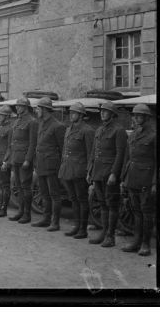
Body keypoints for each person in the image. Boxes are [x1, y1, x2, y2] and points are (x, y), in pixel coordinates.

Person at [87, 101, 128, 248]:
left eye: (106, 111)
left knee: (112, 205)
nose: (102, 113)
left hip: (109, 174)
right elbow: (93, 152)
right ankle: (104, 233)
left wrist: (114, 174)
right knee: (102, 204)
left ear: (112, 114)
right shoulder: (99, 130)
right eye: (102, 111)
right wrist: (90, 170)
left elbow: (120, 154)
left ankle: (111, 236)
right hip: (97, 172)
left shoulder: (119, 130)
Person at [120, 104, 156, 256]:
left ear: (147, 118)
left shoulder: (154, 136)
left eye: (139, 115)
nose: (136, 118)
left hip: (146, 179)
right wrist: (123, 178)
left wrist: (155, 182)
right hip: (132, 177)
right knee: (136, 211)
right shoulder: (133, 135)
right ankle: (136, 241)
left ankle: (145, 244)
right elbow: (127, 159)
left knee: (146, 212)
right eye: (135, 115)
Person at [58, 102, 95, 238]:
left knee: (82, 199)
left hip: (79, 170)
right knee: (73, 199)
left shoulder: (87, 130)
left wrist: (89, 171)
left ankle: (82, 229)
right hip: (68, 168)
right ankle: (76, 226)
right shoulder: (69, 129)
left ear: (80, 115)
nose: (71, 115)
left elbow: (91, 153)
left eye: (74, 113)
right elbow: (64, 149)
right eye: (71, 113)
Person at [32, 97, 66, 231]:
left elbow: (62, 148)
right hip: (41, 163)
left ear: (45, 110)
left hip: (52, 165)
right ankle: (46, 219)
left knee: (54, 195)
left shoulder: (58, 126)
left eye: (38, 108)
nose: (36, 111)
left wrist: (60, 167)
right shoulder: (41, 123)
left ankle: (55, 222)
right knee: (44, 193)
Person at [5, 97, 37, 224]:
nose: (17, 108)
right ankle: (20, 211)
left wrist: (28, 160)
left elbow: (32, 143)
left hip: (24, 159)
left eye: (19, 106)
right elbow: (13, 141)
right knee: (18, 186)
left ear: (25, 108)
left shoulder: (32, 122)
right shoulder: (17, 121)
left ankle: (27, 214)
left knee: (26, 187)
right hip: (16, 158)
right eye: (17, 106)